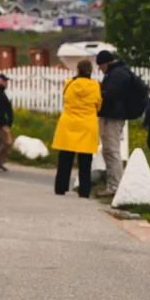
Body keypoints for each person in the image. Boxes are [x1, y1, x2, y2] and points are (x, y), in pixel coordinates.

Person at [52, 60, 102, 197]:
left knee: (65, 159)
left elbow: (65, 98)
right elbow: (98, 104)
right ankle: (84, 191)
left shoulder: (69, 83)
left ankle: (60, 188)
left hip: (69, 123)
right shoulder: (95, 86)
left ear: (78, 70)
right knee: (85, 160)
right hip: (87, 125)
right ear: (90, 72)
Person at [95, 50, 133, 196]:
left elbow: (110, 96)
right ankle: (113, 185)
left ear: (106, 63)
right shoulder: (118, 73)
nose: (99, 69)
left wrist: (99, 92)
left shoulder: (117, 75)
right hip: (112, 116)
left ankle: (115, 187)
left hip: (113, 117)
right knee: (109, 150)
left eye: (100, 65)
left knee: (112, 151)